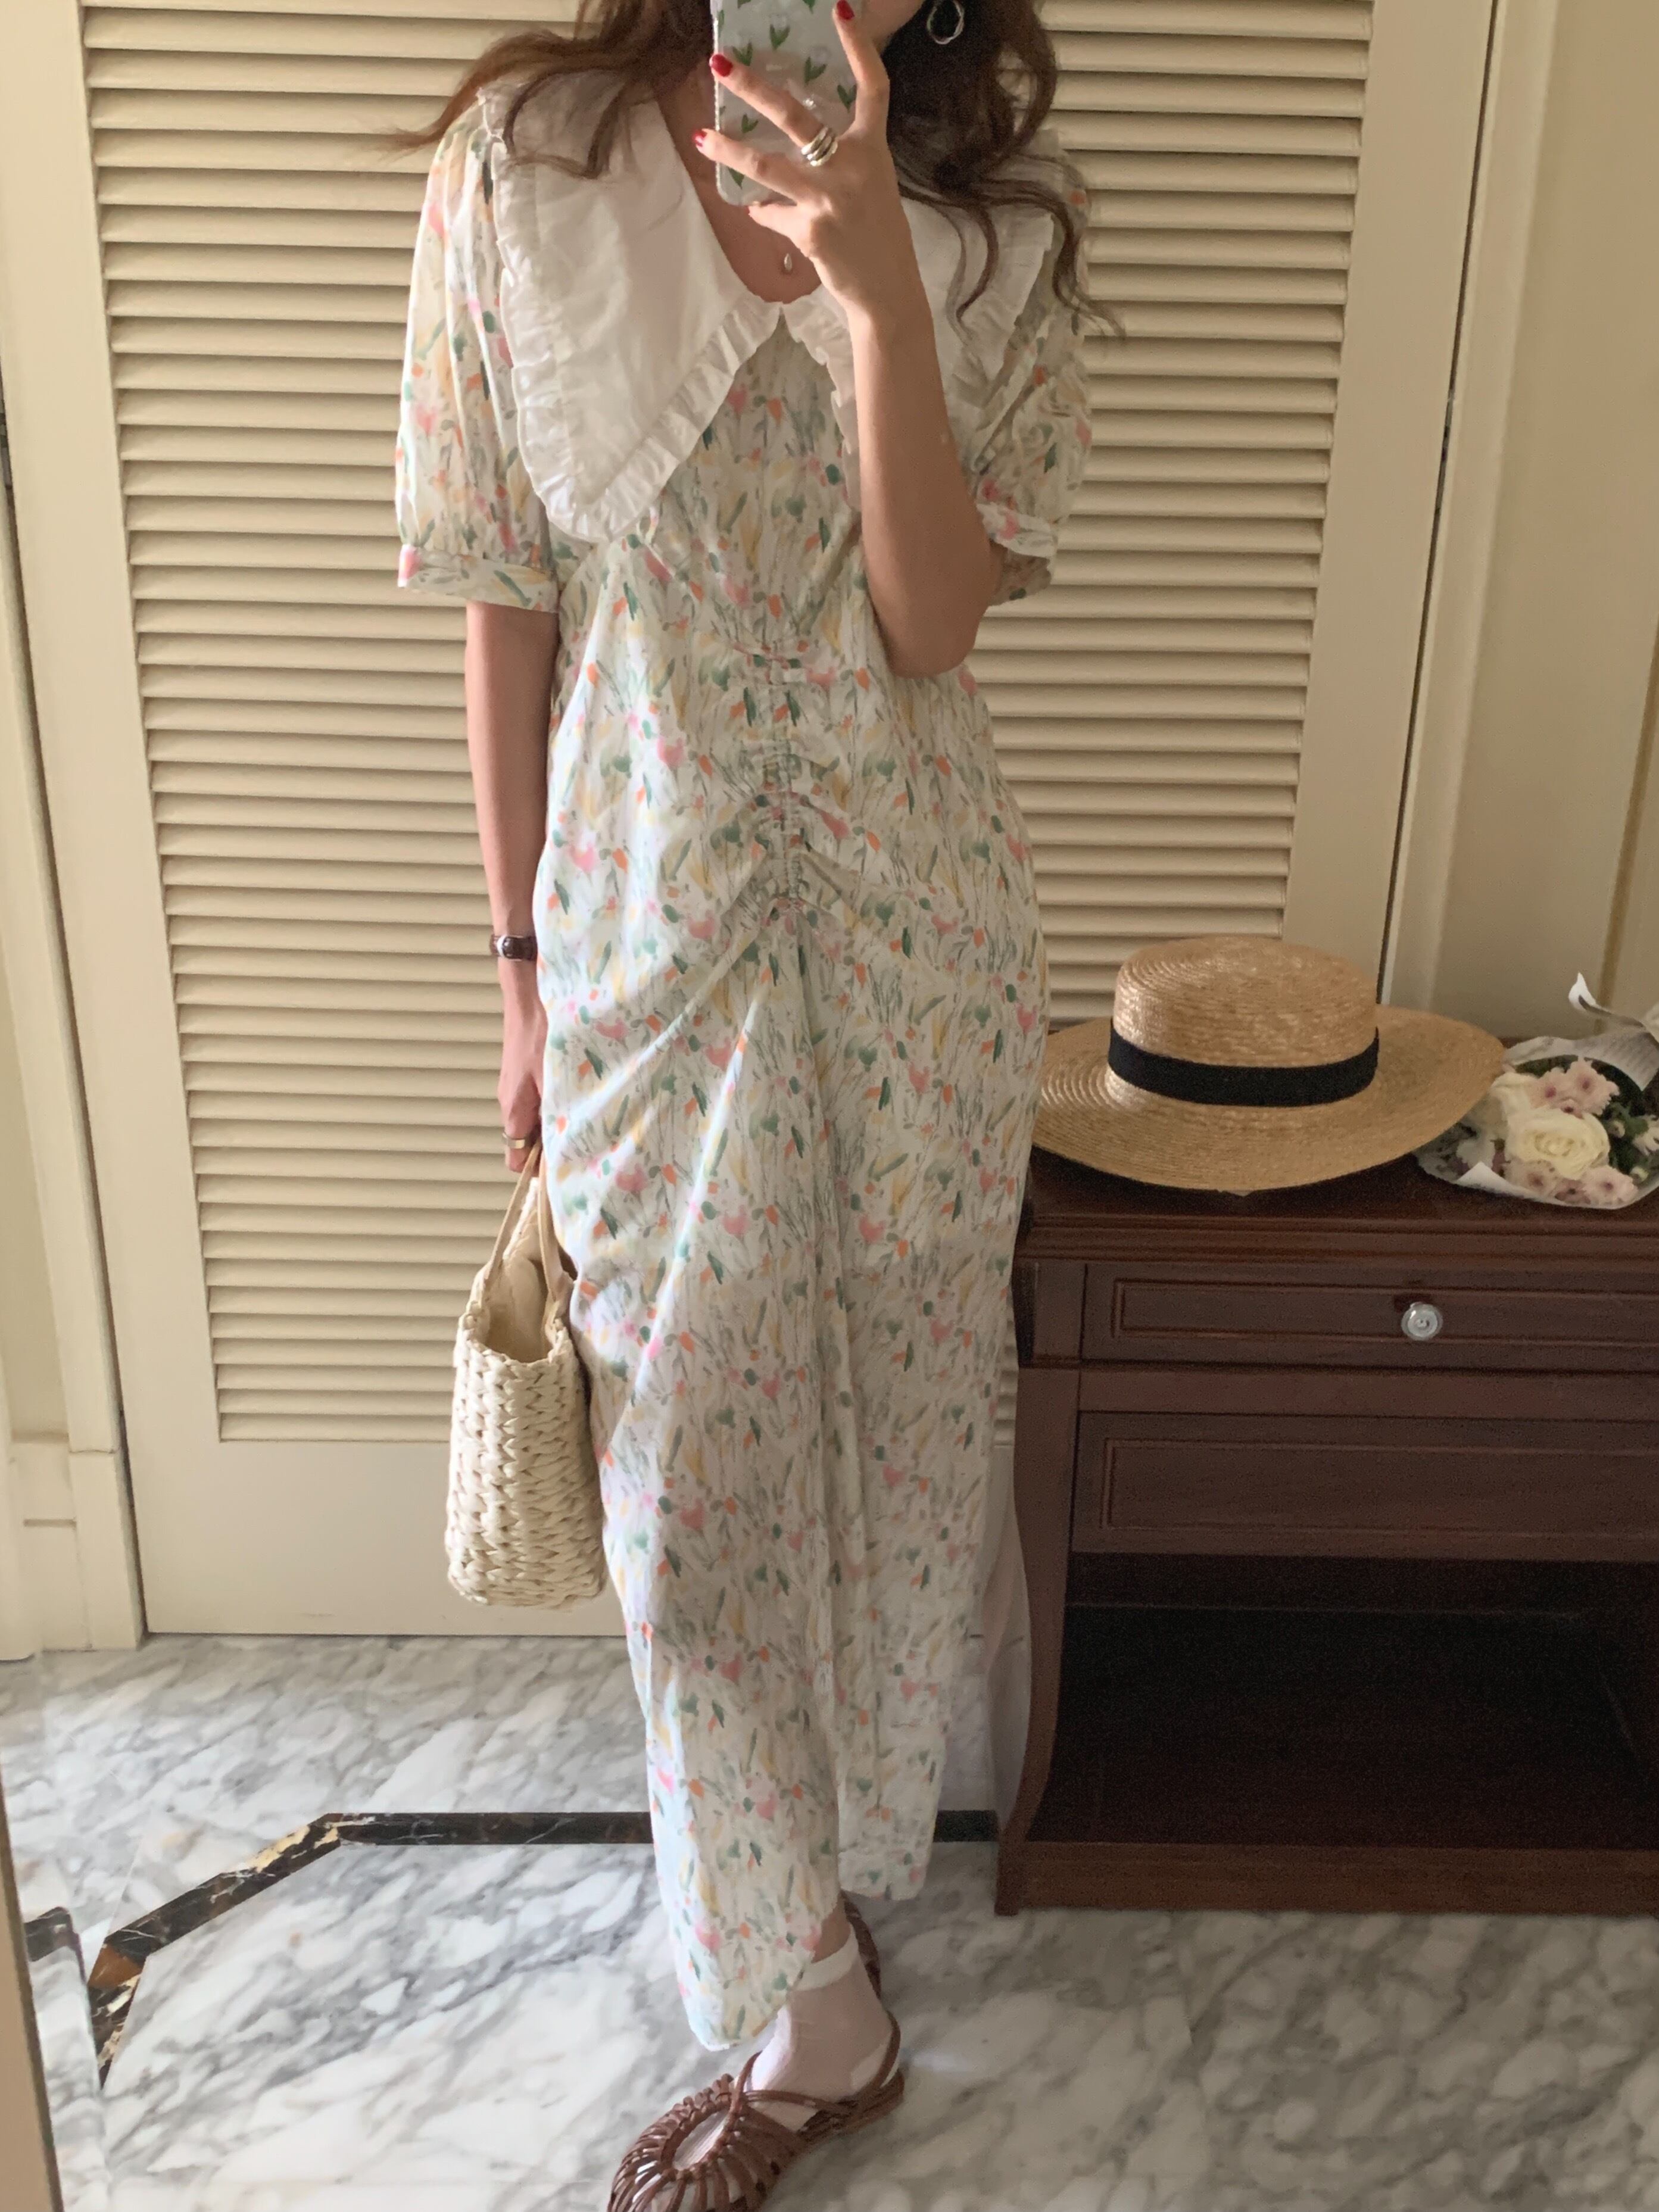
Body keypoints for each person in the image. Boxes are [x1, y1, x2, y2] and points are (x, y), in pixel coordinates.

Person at [395, 0, 1092, 2197]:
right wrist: (516, 969)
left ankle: (814, 1955)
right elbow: (502, 590)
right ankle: (806, 1977)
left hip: (918, 945)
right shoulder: (529, 168)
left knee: (893, 1434)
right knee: (681, 1494)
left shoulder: (989, 232)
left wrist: (879, 281)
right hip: (641, 927)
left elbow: (929, 623)